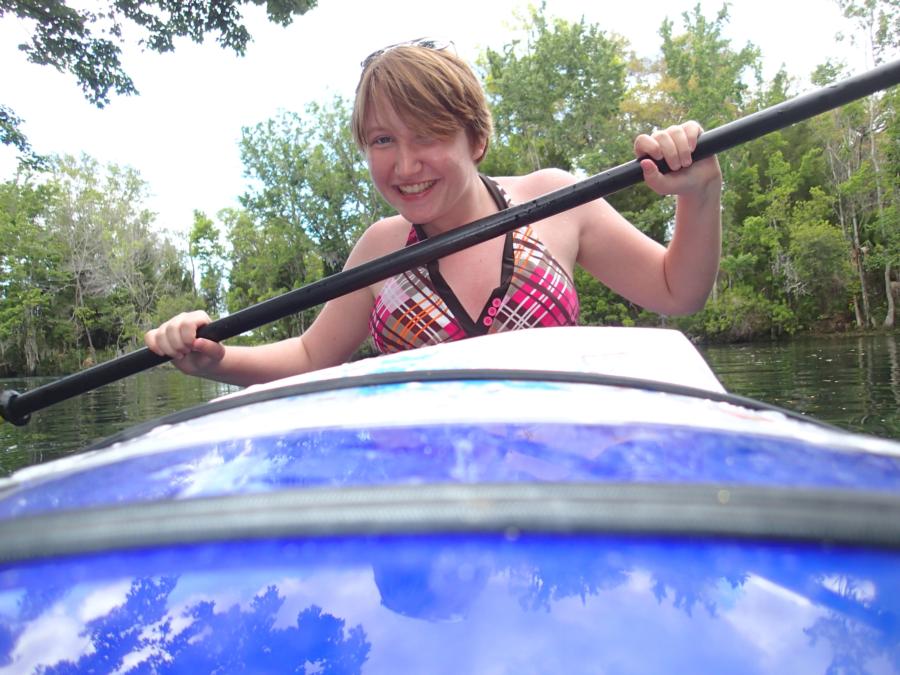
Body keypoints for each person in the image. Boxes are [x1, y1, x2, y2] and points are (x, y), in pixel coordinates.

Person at [145, 38, 722, 386]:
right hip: (423, 497)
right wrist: (212, 360)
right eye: (381, 140)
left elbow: (678, 291)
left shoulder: (554, 201)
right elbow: (309, 356)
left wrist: (699, 193)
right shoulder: (379, 247)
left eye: (427, 136)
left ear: (475, 139)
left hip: (549, 488)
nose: (404, 164)